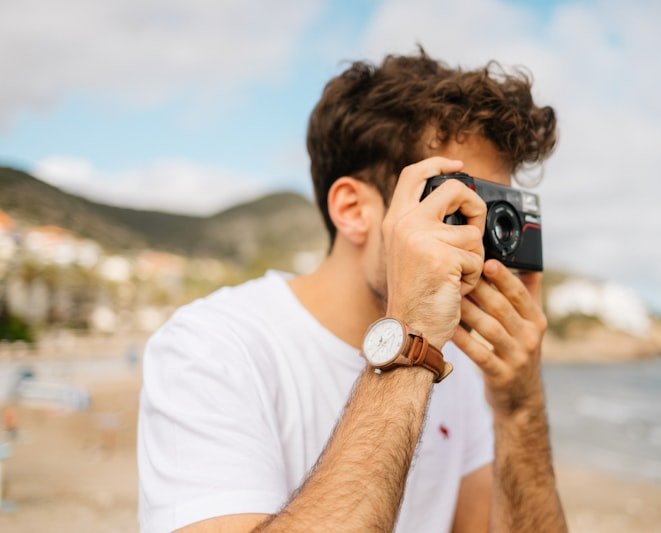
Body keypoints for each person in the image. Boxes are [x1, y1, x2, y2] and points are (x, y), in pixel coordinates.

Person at [137, 49, 565, 532]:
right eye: (461, 205)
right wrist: (410, 338)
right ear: (353, 210)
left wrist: (520, 409)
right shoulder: (212, 347)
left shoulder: (459, 366)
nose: (480, 234)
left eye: (495, 209)